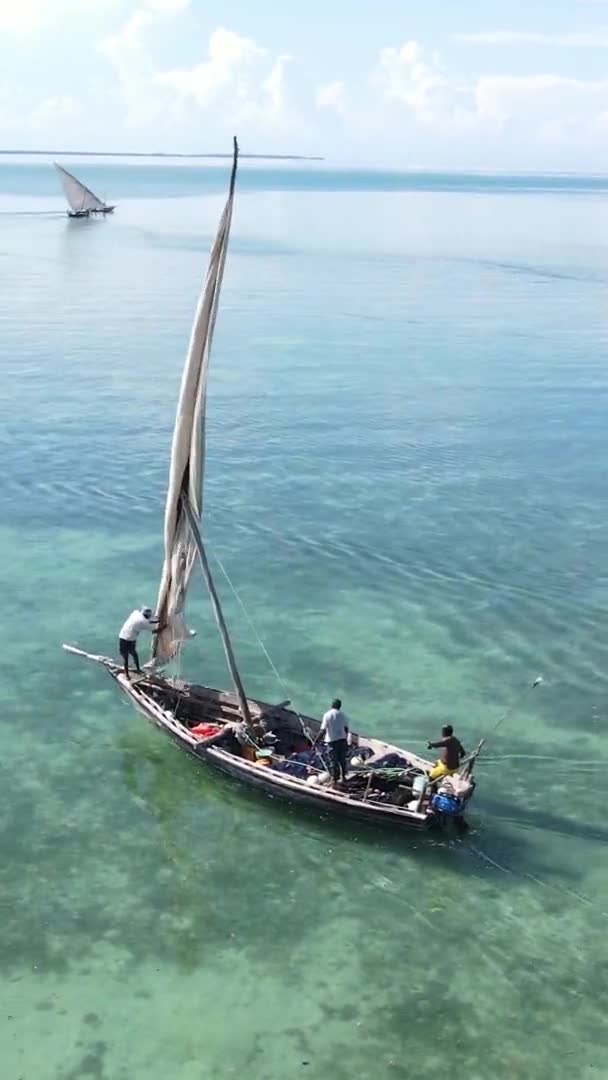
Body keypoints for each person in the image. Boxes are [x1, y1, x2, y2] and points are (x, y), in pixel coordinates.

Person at [314, 698, 350, 785]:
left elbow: (322, 730)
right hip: (342, 740)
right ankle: (343, 777)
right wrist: (344, 738)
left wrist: (316, 741)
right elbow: (346, 729)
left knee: (333, 761)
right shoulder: (343, 715)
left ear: (331, 705)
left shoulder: (327, 715)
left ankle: (334, 780)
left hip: (332, 741)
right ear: (340, 706)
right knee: (342, 760)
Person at [118, 607, 160, 678]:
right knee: (130, 656)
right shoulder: (143, 622)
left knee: (130, 656)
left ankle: (134, 671)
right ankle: (129, 673)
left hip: (124, 636)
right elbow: (155, 631)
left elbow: (146, 621)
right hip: (127, 639)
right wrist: (165, 626)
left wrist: (157, 621)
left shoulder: (135, 613)